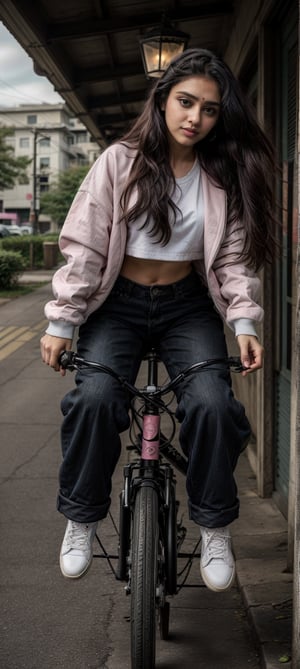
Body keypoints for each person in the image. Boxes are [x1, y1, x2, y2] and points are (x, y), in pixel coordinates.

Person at [40, 48, 276, 592]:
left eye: (210, 109)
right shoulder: (119, 162)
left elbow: (233, 258)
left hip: (186, 307)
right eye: (186, 102)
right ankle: (82, 514)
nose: (195, 117)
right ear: (163, 100)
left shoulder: (224, 173)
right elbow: (85, 245)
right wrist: (61, 321)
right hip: (115, 305)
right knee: (95, 399)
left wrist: (244, 323)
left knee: (214, 404)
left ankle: (214, 525)